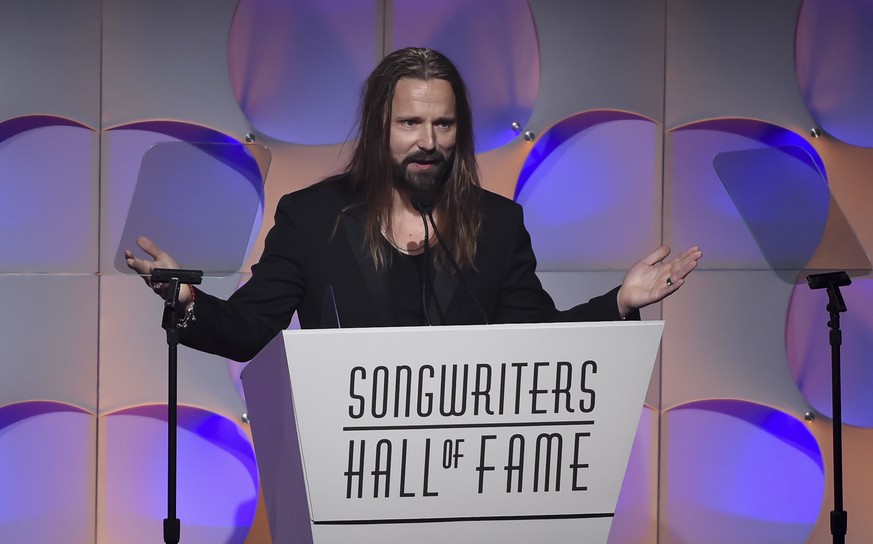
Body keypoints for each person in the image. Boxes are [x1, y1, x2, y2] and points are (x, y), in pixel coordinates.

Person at [125, 47, 701, 362]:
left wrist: (620, 304)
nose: (428, 141)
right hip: (344, 478)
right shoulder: (311, 218)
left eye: (443, 124)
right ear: (381, 126)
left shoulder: (498, 223)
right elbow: (250, 328)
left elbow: (538, 344)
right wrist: (188, 300)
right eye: (411, 123)